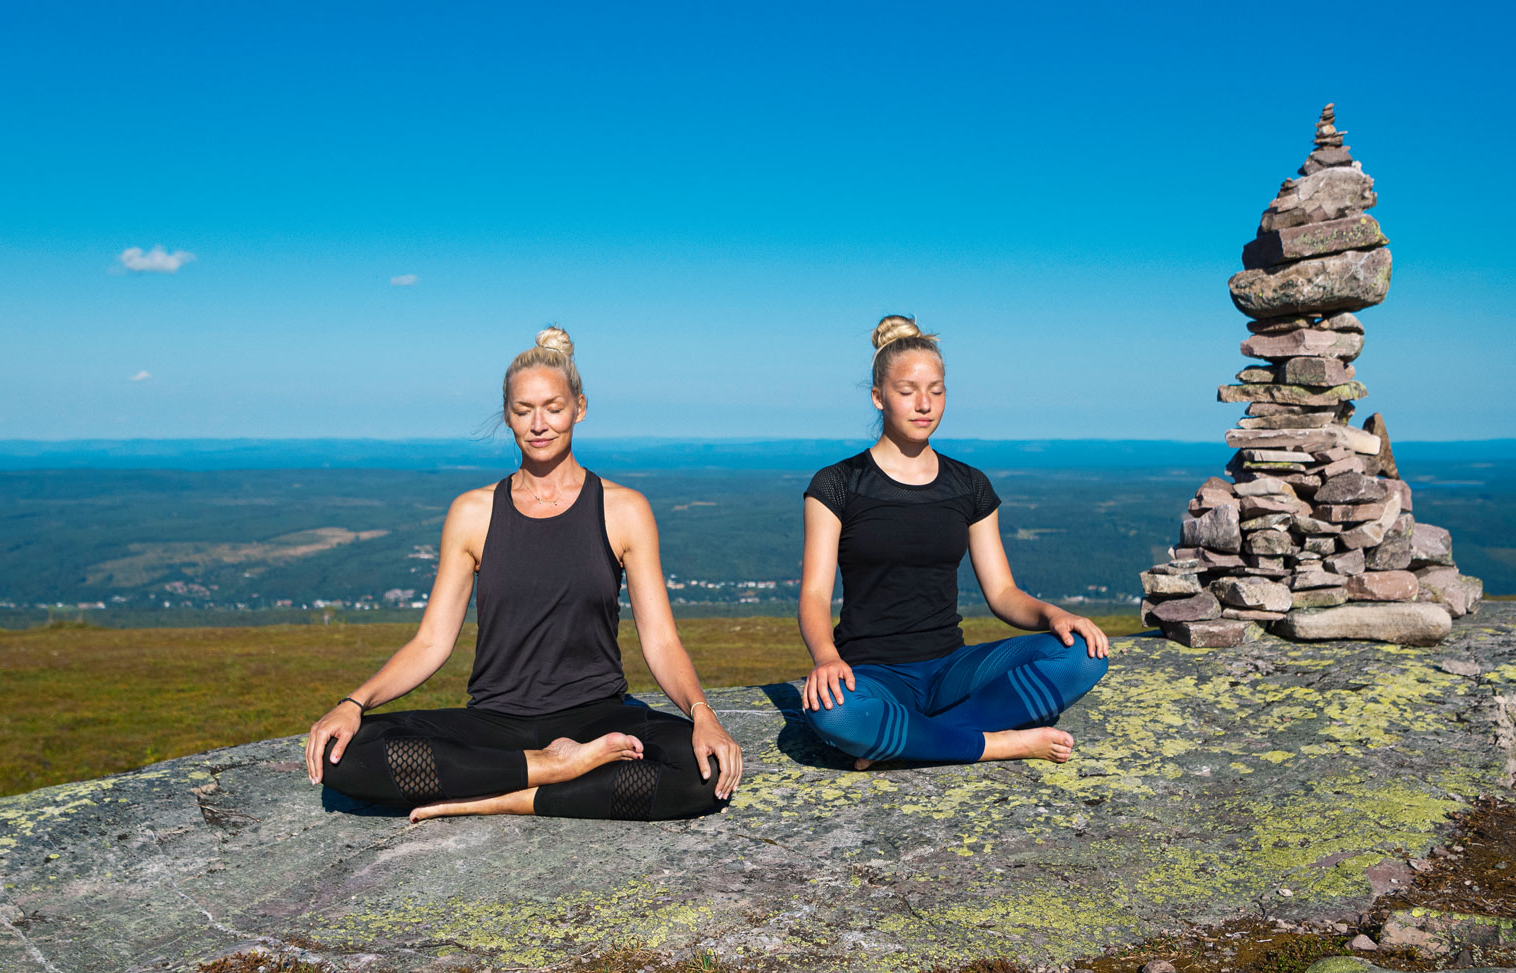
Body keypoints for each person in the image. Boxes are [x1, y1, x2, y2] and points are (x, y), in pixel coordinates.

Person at [305, 327, 742, 821]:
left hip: (598, 717)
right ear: (507, 416)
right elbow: (431, 643)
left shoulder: (624, 510)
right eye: (522, 410)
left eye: (553, 408)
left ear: (579, 407)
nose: (539, 424)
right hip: (495, 721)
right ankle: (549, 769)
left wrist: (703, 716)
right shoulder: (473, 513)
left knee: (701, 772)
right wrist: (353, 703)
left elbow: (660, 641)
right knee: (342, 754)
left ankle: (508, 794)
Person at [797, 315, 1110, 769]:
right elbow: (813, 595)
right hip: (872, 672)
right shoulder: (837, 485)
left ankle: (905, 739)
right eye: (907, 392)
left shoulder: (970, 485)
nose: (924, 404)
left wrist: (1056, 615)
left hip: (952, 670)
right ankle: (998, 743)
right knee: (834, 711)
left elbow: (1003, 594)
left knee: (1084, 655)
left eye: (937, 390)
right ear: (878, 398)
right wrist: (826, 658)